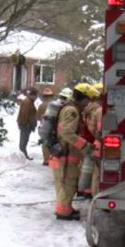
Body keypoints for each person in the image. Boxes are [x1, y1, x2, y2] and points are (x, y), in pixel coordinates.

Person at [50, 83, 96, 220]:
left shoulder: (67, 108)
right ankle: (64, 212)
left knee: (62, 183)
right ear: (84, 98)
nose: (89, 104)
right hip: (66, 155)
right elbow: (66, 132)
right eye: (89, 100)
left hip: (61, 154)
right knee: (67, 184)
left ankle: (64, 207)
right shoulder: (72, 111)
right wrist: (84, 145)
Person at [17, 88, 38, 160]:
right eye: (36, 96)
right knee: (23, 140)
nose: (36, 98)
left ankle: (23, 155)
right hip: (26, 125)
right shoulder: (27, 102)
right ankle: (23, 156)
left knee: (25, 140)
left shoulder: (29, 101)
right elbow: (24, 114)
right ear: (32, 95)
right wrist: (25, 124)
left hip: (27, 125)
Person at [36, 88, 55, 166]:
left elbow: (37, 117)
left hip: (44, 127)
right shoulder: (55, 105)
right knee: (53, 143)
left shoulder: (41, 105)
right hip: (53, 127)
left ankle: (46, 160)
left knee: (44, 143)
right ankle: (52, 159)